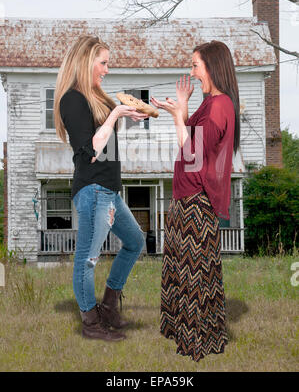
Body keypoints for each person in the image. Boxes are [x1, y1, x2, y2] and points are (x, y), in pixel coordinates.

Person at [150, 40, 240, 362]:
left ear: (212, 67)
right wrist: (182, 108)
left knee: (195, 278)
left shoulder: (219, 106)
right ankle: (197, 336)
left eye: (195, 66)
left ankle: (196, 342)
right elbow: (194, 142)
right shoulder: (210, 103)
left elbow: (193, 155)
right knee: (189, 274)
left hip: (196, 204)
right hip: (186, 198)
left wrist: (177, 116)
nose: (192, 72)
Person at [54, 35, 148, 341]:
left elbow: (106, 133)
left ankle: (108, 307)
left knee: (135, 241)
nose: (106, 69)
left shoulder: (95, 96)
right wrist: (117, 114)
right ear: (86, 61)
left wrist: (127, 113)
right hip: (93, 189)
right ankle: (91, 323)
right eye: (103, 63)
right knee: (87, 259)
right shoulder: (72, 99)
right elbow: (90, 150)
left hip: (109, 190)